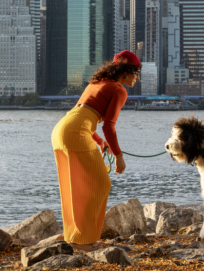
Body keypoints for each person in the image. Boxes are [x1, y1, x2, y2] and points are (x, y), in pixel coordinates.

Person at [50, 51, 141, 250]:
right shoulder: (119, 90)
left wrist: (100, 141)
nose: (138, 77)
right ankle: (86, 241)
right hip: (76, 132)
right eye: (136, 72)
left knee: (72, 185)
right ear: (125, 73)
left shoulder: (96, 83)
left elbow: (85, 114)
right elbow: (108, 125)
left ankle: (72, 237)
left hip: (61, 129)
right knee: (100, 184)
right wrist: (118, 156)